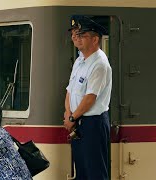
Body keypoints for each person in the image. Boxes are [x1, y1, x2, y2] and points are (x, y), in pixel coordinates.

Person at [63, 16, 112, 180]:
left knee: (95, 173)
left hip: (93, 124)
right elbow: (70, 90)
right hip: (79, 123)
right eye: (74, 34)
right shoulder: (80, 60)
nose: (75, 37)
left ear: (95, 39)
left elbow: (90, 98)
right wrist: (68, 112)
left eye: (81, 34)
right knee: (82, 173)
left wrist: (71, 117)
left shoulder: (100, 64)